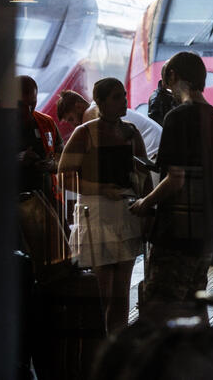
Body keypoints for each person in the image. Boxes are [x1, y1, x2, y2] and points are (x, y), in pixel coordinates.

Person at [129, 52, 213, 313]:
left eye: (165, 82)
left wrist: (144, 202)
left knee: (161, 308)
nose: (166, 90)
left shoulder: (177, 117)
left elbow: (175, 178)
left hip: (176, 234)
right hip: (206, 233)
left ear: (173, 76)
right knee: (195, 308)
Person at [58, 78, 152, 333]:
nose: (124, 101)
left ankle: (116, 344)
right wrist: (101, 189)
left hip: (125, 212)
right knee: (103, 289)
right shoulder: (84, 133)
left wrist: (147, 207)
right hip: (96, 213)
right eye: (117, 97)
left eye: (123, 95)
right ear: (100, 102)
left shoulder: (131, 131)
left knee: (121, 289)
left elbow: (143, 173)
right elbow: (64, 175)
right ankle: (98, 344)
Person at [57, 89, 162, 159]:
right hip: (156, 151)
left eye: (71, 119)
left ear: (79, 107)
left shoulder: (92, 113)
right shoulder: (99, 109)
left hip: (155, 154)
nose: (73, 125)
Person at [15, 75, 64, 205]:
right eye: (21, 104)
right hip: (9, 205)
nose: (28, 109)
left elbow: (62, 155)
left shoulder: (46, 122)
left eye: (33, 104)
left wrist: (52, 163)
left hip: (46, 199)